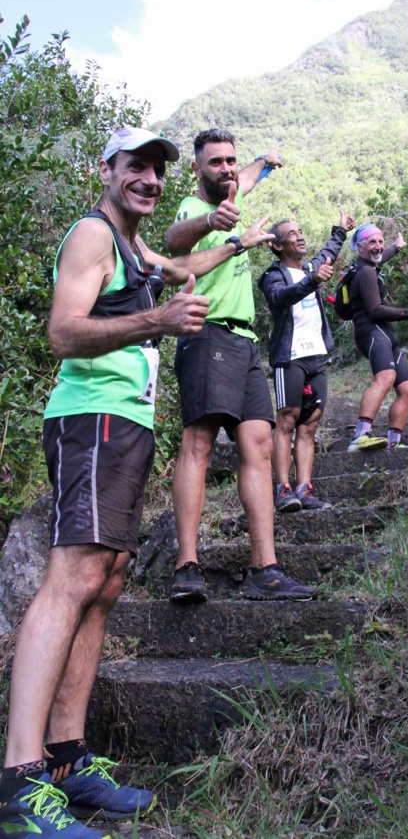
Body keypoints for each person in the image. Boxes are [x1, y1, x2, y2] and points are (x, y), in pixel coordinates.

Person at [0, 126, 275, 839]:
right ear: (107, 169)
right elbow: (63, 331)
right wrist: (157, 319)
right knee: (72, 577)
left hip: (124, 424)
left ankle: (67, 758)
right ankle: (21, 782)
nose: (150, 180)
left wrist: (244, 244)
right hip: (88, 418)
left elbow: (188, 262)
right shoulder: (92, 235)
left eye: (158, 170)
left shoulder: (135, 245)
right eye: (137, 167)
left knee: (111, 575)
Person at [166, 128, 317, 603]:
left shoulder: (234, 188)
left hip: (247, 342)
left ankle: (264, 569)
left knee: (258, 446)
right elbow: (175, 239)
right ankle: (186, 566)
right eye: (216, 162)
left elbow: (247, 176)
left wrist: (263, 161)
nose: (227, 169)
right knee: (200, 441)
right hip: (207, 331)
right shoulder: (195, 210)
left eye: (230, 161)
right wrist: (218, 223)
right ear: (196, 169)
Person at [258, 213, 355, 512]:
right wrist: (312, 280)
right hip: (290, 357)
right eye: (291, 233)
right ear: (276, 245)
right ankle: (283, 490)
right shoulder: (271, 275)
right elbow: (280, 297)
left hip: (316, 356)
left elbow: (327, 252)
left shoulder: (312, 267)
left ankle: (304, 489)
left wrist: (340, 229)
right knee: (287, 419)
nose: (299, 236)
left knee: (310, 424)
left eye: (301, 231)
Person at [345, 223, 408, 453]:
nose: (378, 246)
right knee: (386, 377)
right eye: (372, 242)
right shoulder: (365, 272)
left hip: (385, 334)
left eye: (380, 241)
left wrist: (396, 246)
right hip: (371, 331)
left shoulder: (370, 264)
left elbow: (381, 256)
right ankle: (360, 435)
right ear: (359, 247)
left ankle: (393, 441)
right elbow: (375, 310)